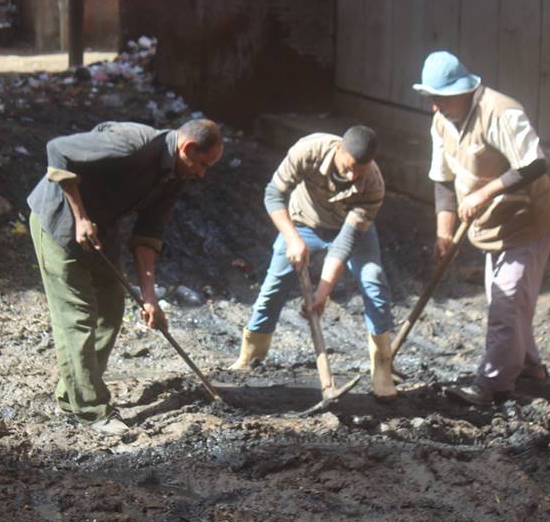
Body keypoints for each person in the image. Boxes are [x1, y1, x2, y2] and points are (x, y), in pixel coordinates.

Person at [27, 120, 224, 435]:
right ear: (187, 148)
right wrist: (80, 218)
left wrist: (150, 298)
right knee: (76, 316)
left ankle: (72, 393)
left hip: (101, 229)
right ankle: (91, 411)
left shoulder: (175, 177)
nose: (202, 173)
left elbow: (147, 236)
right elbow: (58, 149)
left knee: (111, 308)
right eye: (202, 164)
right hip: (60, 220)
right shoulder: (133, 144)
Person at [412, 51, 550, 406]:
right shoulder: (442, 122)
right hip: (490, 227)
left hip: (526, 220)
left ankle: (492, 384)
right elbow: (443, 181)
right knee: (508, 299)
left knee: (506, 303)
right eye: (431, 99)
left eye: (441, 99)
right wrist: (444, 233)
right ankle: (528, 365)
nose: (435, 107)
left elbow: (535, 163)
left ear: (464, 90)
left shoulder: (502, 112)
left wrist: (485, 192)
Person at [229, 126, 398, 399]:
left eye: (361, 170)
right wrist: (292, 238)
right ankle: (251, 355)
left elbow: (345, 243)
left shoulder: (373, 184)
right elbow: (273, 195)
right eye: (350, 166)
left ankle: (382, 366)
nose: (353, 175)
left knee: (373, 280)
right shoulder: (309, 151)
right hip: (302, 222)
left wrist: (321, 294)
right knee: (275, 283)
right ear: (339, 149)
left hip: (349, 229)